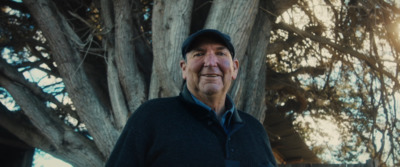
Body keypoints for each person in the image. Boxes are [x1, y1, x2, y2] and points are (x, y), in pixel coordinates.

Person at [106, 29, 277, 167]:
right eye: (198, 54)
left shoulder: (255, 130)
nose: (210, 62)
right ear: (184, 68)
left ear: (235, 68)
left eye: (220, 53)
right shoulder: (151, 117)